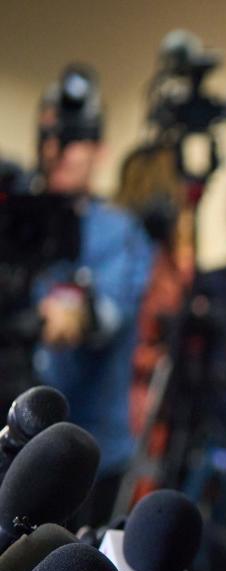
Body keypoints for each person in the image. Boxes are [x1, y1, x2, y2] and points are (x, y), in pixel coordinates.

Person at [31, 64, 153, 526]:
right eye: (48, 136)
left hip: (91, 449)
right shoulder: (18, 220)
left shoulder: (118, 231)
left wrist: (52, 315)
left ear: (99, 149)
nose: (58, 150)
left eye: (73, 138)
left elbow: (98, 319)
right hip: (15, 443)